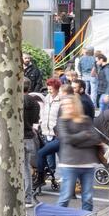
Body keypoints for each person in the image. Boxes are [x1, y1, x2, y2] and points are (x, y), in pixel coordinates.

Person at [56, 94, 103, 212]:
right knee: (65, 197)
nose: (65, 107)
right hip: (69, 164)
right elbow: (66, 139)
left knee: (87, 198)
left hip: (88, 164)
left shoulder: (85, 119)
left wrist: (76, 142)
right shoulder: (62, 121)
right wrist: (84, 135)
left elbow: (96, 139)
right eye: (64, 105)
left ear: (75, 105)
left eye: (68, 104)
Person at [35, 78, 63, 188]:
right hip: (47, 132)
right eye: (48, 88)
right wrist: (40, 122)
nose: (49, 91)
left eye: (51, 89)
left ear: (57, 89)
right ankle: (52, 178)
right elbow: (44, 113)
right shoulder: (47, 98)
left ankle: (71, 180)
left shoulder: (61, 100)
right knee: (50, 160)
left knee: (62, 158)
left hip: (57, 134)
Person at [21, 79, 41, 207]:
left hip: (18, 137)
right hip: (29, 137)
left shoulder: (16, 101)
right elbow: (35, 119)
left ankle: (21, 195)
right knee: (27, 168)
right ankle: (28, 197)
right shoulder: (35, 103)